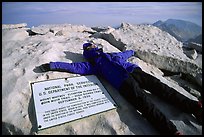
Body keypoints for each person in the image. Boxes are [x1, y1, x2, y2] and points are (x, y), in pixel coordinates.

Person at [38, 42, 202, 135]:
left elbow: (126, 54)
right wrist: (52, 65)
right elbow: (73, 67)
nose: (94, 45)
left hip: (135, 71)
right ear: (88, 51)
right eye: (90, 46)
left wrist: (132, 50)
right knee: (145, 105)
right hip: (123, 84)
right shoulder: (93, 65)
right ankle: (171, 132)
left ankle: (194, 107)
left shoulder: (110, 55)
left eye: (94, 44)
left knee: (163, 89)